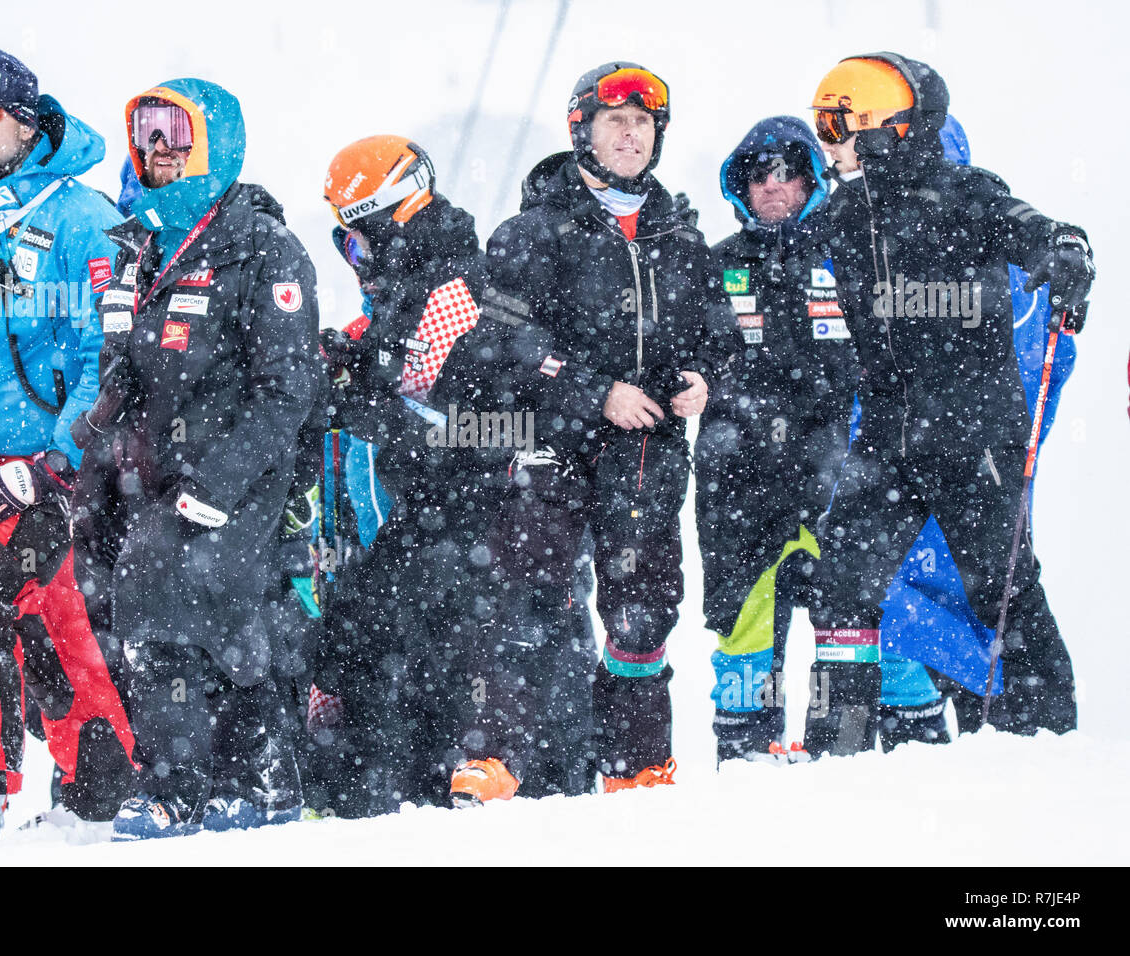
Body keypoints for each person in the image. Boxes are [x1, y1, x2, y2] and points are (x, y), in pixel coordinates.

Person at [455, 62, 743, 802]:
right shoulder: (532, 229)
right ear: (581, 129)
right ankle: (491, 763)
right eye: (615, 120)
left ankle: (637, 766)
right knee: (522, 596)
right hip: (550, 443)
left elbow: (722, 337)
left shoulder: (681, 237)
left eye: (643, 123)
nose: (630, 133)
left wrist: (704, 378)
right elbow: (503, 338)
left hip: (645, 452)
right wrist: (593, 392)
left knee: (643, 611)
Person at [804, 52, 1092, 755]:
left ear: (890, 130)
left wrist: (1067, 254)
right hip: (891, 436)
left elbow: (1044, 231)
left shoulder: (966, 194)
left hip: (975, 434)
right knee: (841, 573)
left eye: (840, 128)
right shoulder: (843, 215)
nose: (828, 145)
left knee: (1004, 583)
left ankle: (1047, 740)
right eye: (823, 128)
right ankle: (838, 742)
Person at [71, 78, 320, 838]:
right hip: (154, 468)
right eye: (145, 131)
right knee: (203, 616)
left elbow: (290, 385)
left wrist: (220, 477)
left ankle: (178, 787)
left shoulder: (261, 246)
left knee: (171, 603)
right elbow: (125, 360)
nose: (158, 148)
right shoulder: (135, 246)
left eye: (176, 133)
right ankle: (258, 781)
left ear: (215, 143)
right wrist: (99, 437)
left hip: (236, 471)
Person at [0, 49, 137, 840]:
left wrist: (54, 465)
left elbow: (101, 358)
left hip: (43, 469)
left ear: (26, 120)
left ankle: (92, 798)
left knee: (53, 625)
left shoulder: (81, 216)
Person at [305, 135, 527, 815]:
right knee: (359, 628)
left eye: (358, 242)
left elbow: (429, 406)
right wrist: (347, 365)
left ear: (393, 219)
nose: (356, 262)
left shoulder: (455, 287)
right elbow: (395, 388)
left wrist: (353, 388)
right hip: (414, 511)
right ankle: (366, 784)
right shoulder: (412, 288)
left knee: (441, 627)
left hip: (459, 506)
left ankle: (474, 763)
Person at [697, 116, 856, 764]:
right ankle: (745, 749)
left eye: (788, 171)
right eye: (758, 174)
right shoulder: (715, 264)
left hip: (833, 466)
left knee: (846, 611)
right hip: (739, 475)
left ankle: (840, 747)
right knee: (746, 619)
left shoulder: (848, 256)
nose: (773, 186)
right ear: (741, 186)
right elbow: (683, 355)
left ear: (811, 180)